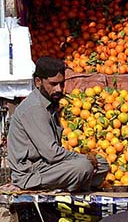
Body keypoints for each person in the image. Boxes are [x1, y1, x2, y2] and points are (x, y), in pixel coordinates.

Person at [7, 57, 108, 192]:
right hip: (31, 173)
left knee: (102, 164)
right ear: (38, 82)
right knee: (83, 166)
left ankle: (74, 184)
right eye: (53, 84)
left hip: (48, 166)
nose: (59, 89)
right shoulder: (34, 108)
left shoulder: (49, 104)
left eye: (61, 84)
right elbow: (51, 154)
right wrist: (83, 158)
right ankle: (74, 186)